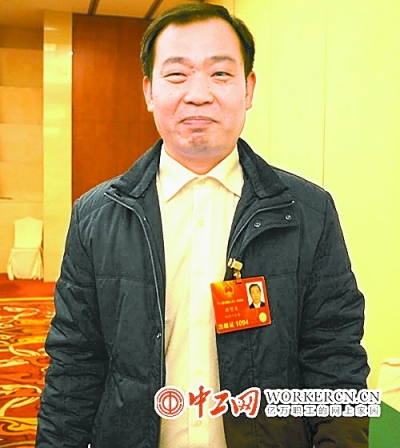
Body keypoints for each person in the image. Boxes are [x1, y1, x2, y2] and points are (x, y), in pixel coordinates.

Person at [36, 3, 370, 447]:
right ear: (149, 91)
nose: (198, 94)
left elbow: (336, 361)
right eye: (177, 74)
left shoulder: (309, 212)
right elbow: (73, 367)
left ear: (248, 89)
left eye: (220, 74)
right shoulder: (96, 217)